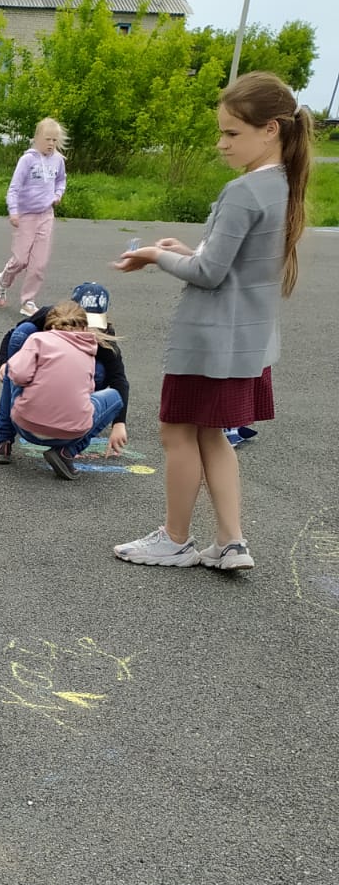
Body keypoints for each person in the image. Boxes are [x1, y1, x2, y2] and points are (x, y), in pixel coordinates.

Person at [111, 71, 312, 571]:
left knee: (176, 432)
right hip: (247, 341)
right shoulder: (283, 185)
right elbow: (232, 260)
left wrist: (158, 254)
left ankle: (175, 538)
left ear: (271, 130)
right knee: (212, 433)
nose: (221, 144)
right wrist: (190, 249)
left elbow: (208, 272)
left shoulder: (244, 191)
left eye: (232, 133)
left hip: (210, 340)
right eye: (221, 132)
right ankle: (230, 541)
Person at [0, 281, 130, 469]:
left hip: (26, 422)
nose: (90, 331)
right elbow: (13, 334)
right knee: (22, 336)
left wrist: (120, 422)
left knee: (17, 368)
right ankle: (66, 450)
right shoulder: (49, 317)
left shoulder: (42, 339)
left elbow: (119, 378)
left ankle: (2, 440)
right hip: (71, 430)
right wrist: (3, 362)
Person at [0, 118, 67, 317]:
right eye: (47, 139)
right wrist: (13, 210)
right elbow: (14, 188)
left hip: (46, 215)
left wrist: (57, 195)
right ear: (37, 138)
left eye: (54, 140)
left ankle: (28, 301)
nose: (51, 144)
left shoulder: (58, 160)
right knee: (20, 260)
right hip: (25, 216)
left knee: (39, 264)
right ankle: (2, 280)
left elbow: (61, 181)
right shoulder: (28, 160)